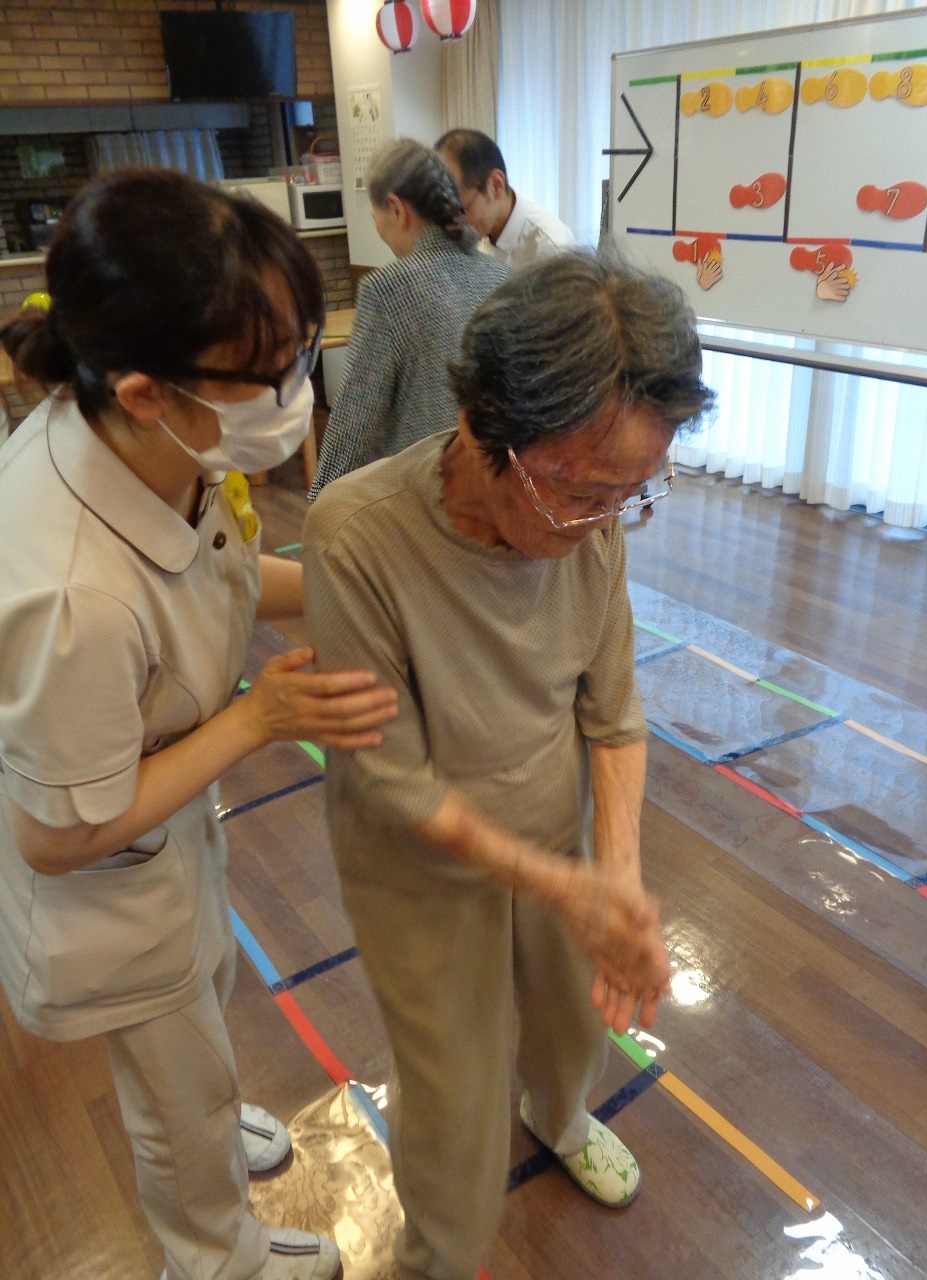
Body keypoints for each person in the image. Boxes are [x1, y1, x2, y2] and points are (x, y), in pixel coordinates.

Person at [0, 168, 400, 1280]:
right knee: (175, 1091)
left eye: (301, 354)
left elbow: (221, 573)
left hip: (163, 828)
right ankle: (216, 1256)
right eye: (270, 376)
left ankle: (214, 1124)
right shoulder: (71, 591)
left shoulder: (163, 448)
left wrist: (357, 586)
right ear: (145, 391)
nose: (295, 391)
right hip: (106, 871)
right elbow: (58, 835)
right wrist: (259, 717)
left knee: (207, 999)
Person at [302, 249, 716, 1280]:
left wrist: (613, 878)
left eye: (632, 492)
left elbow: (612, 715)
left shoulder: (592, 525)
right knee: (456, 1113)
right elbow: (396, 784)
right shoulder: (356, 535)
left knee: (577, 1026)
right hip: (419, 875)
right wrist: (572, 888)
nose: (603, 521)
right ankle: (434, 1258)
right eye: (580, 487)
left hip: (551, 840)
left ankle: (561, 1115)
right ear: (485, 427)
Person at [307, 138, 510, 499]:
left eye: (375, 217)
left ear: (396, 209)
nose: (378, 228)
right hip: (502, 487)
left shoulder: (388, 289)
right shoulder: (503, 277)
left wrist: (321, 501)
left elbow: (355, 417)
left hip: (427, 495)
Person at [436, 127, 576, 269]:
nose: (452, 224)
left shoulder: (552, 248)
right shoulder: (473, 233)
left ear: (496, 185)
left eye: (461, 209)